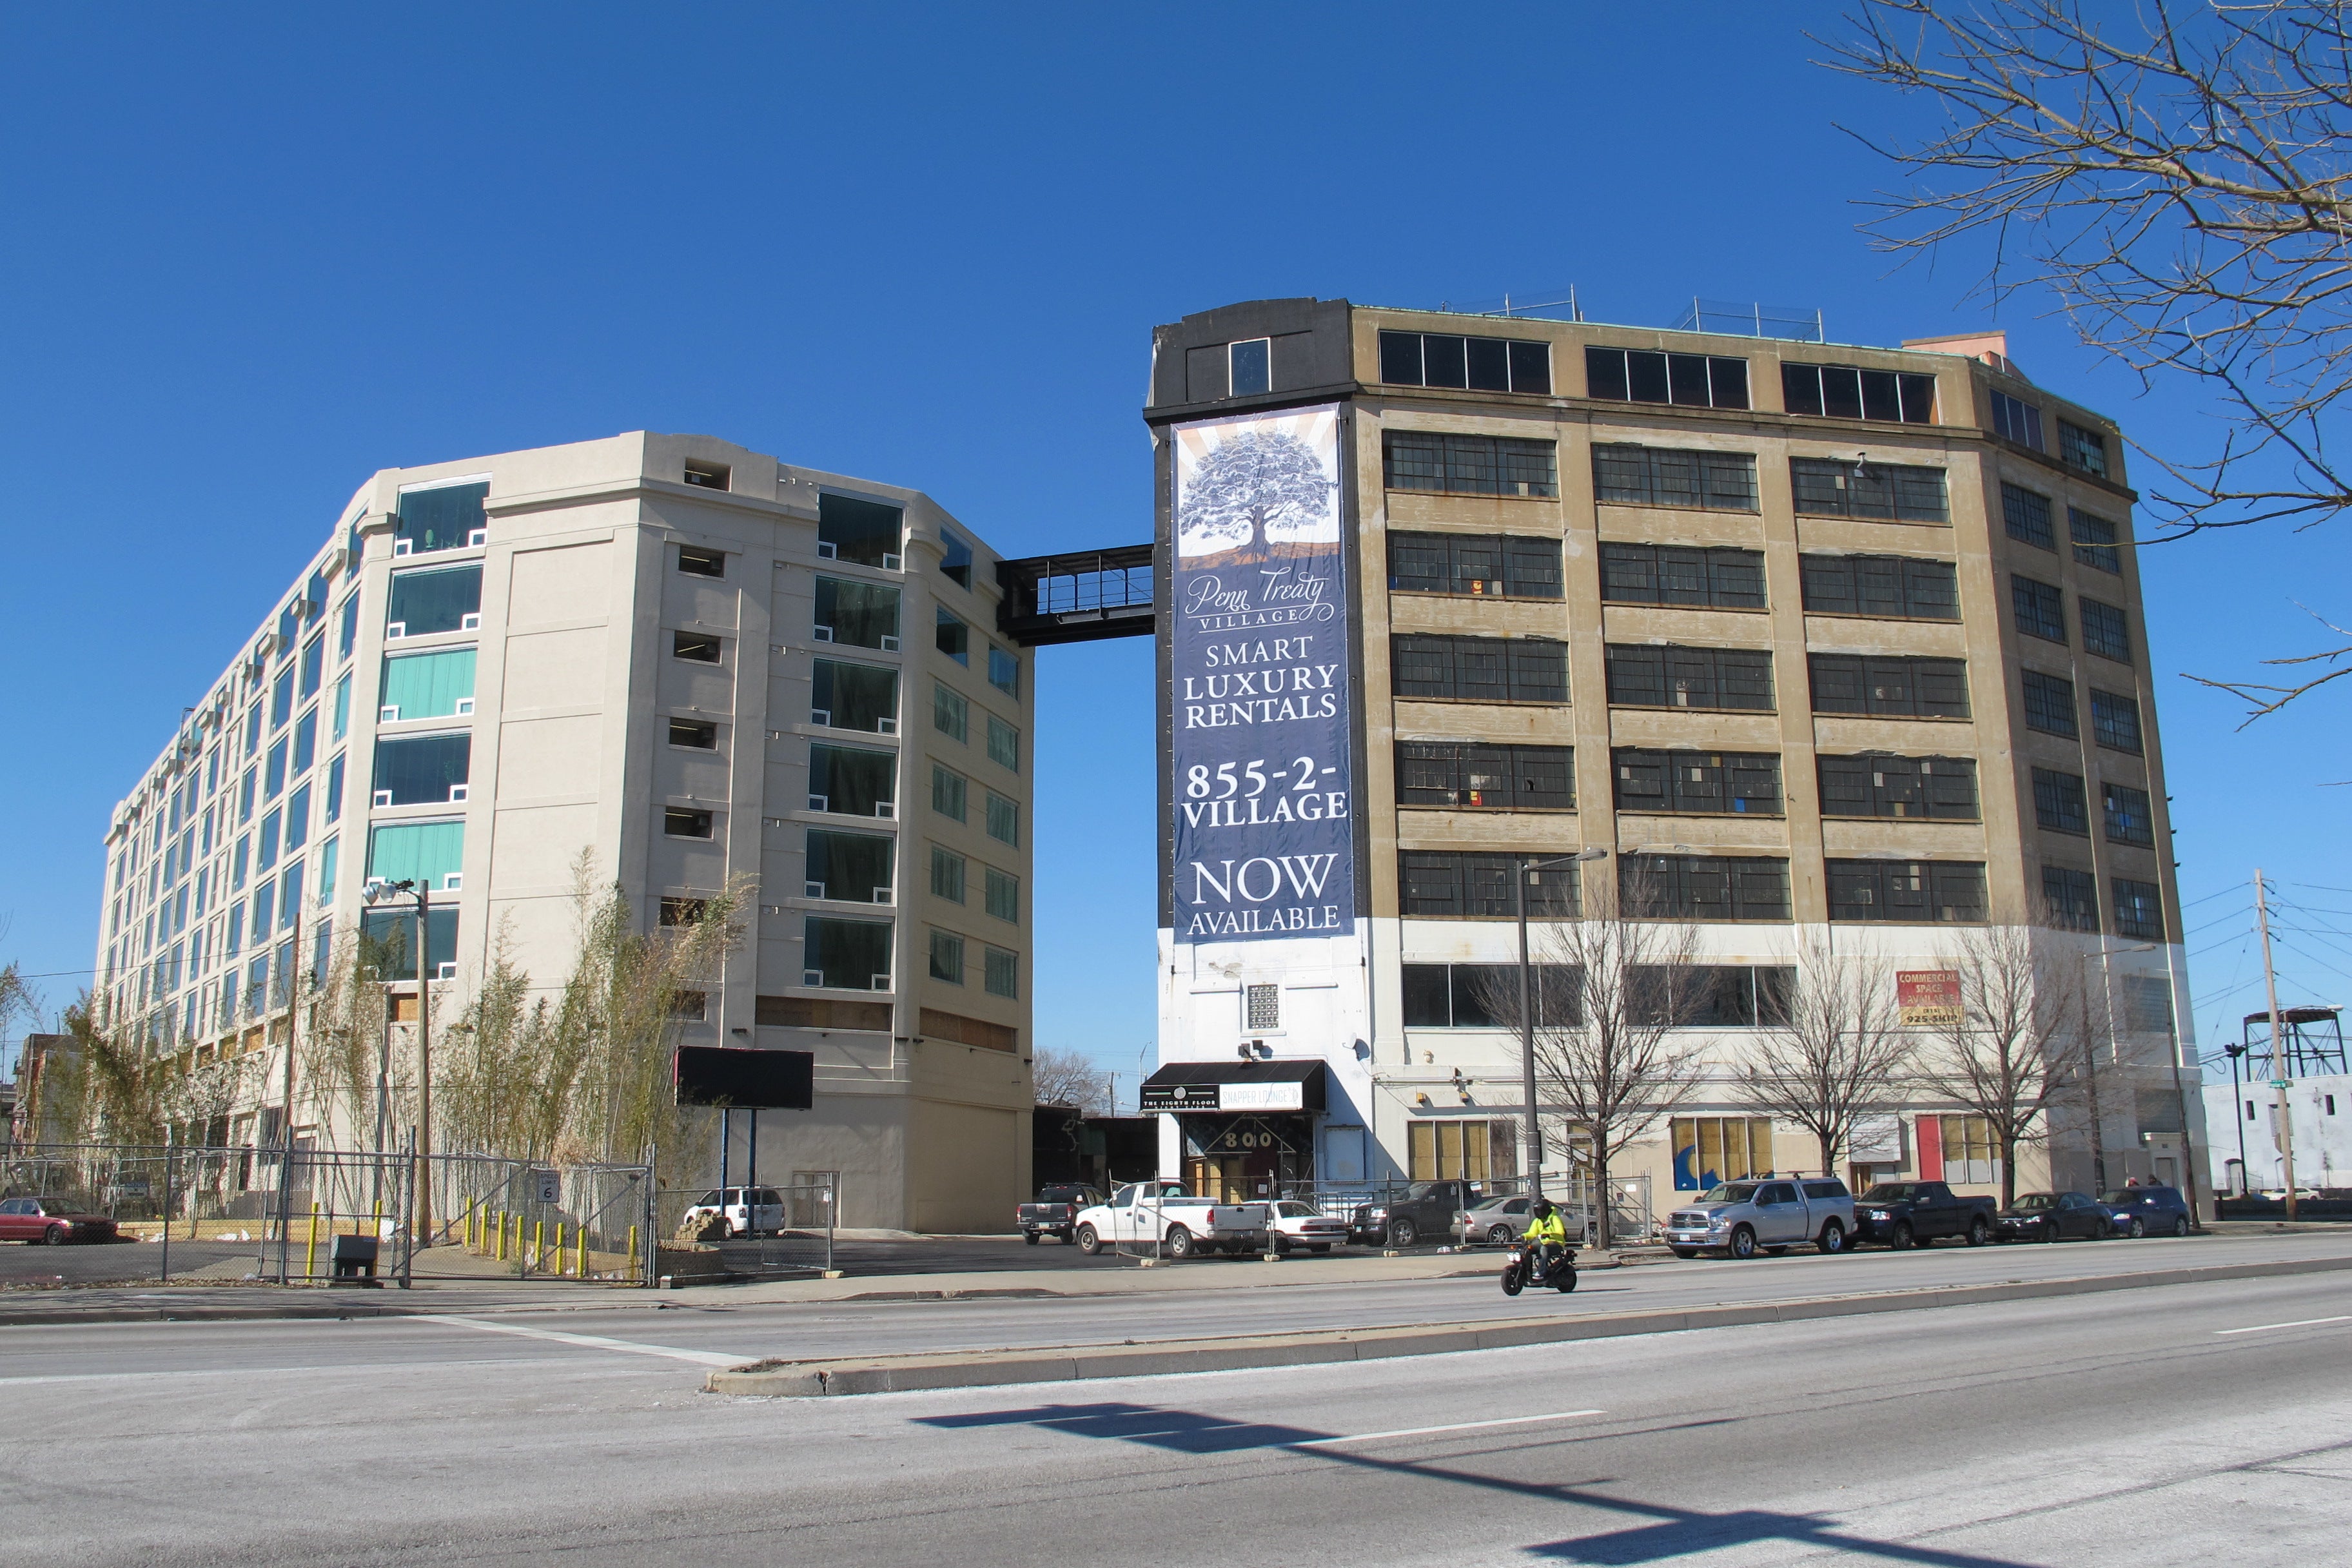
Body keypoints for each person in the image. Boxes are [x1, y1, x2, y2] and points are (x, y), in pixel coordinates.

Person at [1522, 1199, 1571, 1275]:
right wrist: (1524, 1236)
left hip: (1556, 1243)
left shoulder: (1554, 1219)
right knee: (1528, 1249)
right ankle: (1527, 1272)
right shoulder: (1537, 1221)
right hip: (1542, 1242)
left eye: (1541, 1210)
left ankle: (1542, 1271)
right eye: (1537, 1211)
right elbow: (1532, 1233)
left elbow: (1561, 1232)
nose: (1539, 1213)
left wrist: (1549, 1234)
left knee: (1544, 1248)